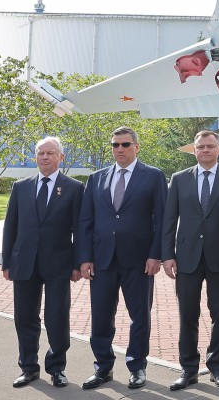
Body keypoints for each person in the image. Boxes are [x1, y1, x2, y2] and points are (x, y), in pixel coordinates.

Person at [78, 126, 166, 390]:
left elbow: (162, 220)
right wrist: (85, 258)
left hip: (139, 261)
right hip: (102, 259)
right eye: (115, 145)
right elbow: (86, 221)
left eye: (125, 144)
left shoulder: (153, 176)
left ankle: (137, 366)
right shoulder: (97, 178)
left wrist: (156, 255)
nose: (119, 149)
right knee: (101, 315)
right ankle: (102, 367)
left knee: (140, 316)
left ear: (136, 147)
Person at [161, 130, 219, 390]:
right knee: (187, 314)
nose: (205, 150)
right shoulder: (179, 179)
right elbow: (169, 220)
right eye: (200, 147)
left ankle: (217, 366)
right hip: (186, 257)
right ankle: (188, 369)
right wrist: (167, 255)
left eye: (210, 146)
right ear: (194, 150)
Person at [2, 137, 83, 388]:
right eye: (40, 153)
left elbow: (80, 230)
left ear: (61, 157)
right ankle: (28, 368)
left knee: (57, 317)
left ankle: (57, 367)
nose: (45, 157)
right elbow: (11, 226)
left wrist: (78, 263)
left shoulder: (74, 188)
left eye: (50, 153)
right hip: (24, 262)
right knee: (25, 317)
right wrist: (7, 262)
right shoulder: (20, 186)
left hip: (59, 263)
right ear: (35, 157)